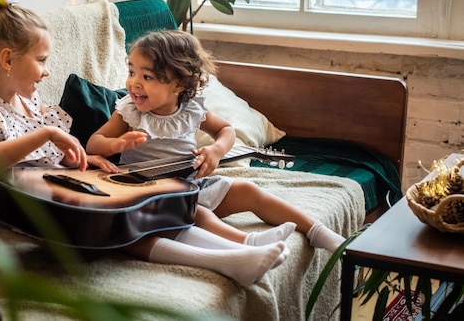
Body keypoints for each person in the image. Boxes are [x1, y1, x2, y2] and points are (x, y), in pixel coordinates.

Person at [0, 0, 288, 287]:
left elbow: (52, 169)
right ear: (7, 60)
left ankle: (243, 250)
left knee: (154, 211)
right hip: (34, 212)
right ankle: (224, 262)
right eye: (42, 60)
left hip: (64, 195)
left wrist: (90, 159)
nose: (47, 71)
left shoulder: (29, 101)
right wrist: (48, 135)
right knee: (127, 226)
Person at [86, 29, 345, 253]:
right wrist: (115, 145)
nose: (134, 84)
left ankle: (315, 230)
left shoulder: (191, 108)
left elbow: (226, 130)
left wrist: (216, 151)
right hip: (146, 196)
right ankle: (249, 243)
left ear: (179, 84)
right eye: (131, 72)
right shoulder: (130, 112)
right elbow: (93, 143)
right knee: (196, 213)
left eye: (147, 77)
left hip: (191, 185)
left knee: (248, 190)